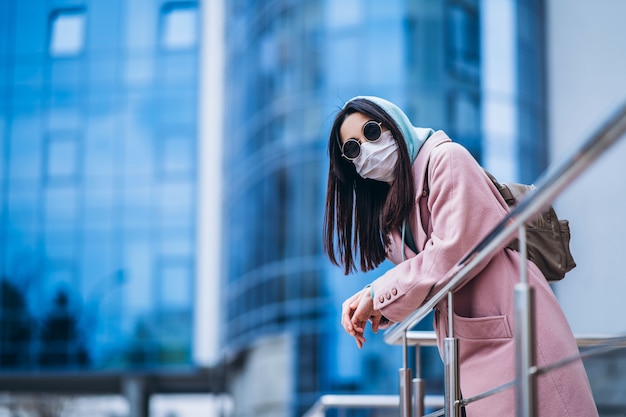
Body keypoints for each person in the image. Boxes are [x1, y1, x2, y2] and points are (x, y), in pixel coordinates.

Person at [323, 95, 598, 416]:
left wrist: (377, 293)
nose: (366, 150)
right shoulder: (396, 213)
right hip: (472, 349)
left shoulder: (446, 159)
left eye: (371, 132)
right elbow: (427, 278)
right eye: (353, 149)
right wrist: (380, 307)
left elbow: (453, 251)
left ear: (394, 124)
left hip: (516, 332)